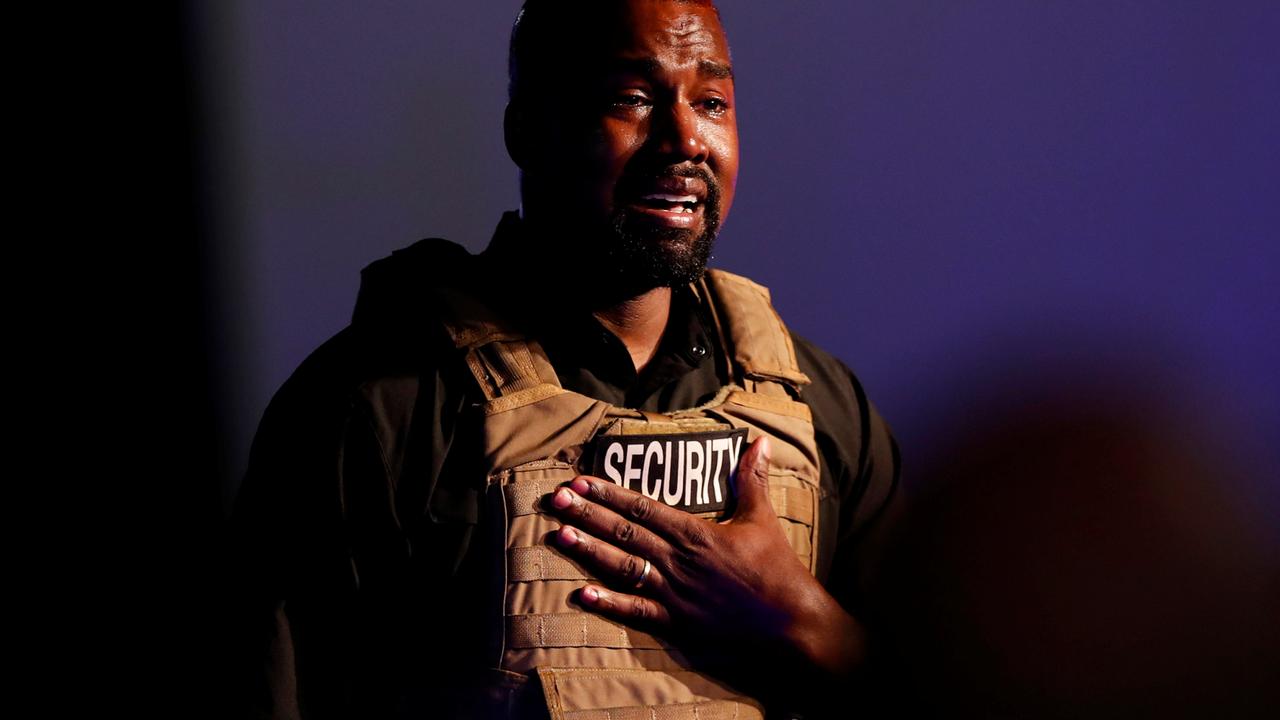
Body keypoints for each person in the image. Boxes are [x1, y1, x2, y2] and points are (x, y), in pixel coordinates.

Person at [224, 1, 901, 718]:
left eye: (711, 101)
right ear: (526, 132)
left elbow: (963, 684)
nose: (685, 140)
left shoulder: (823, 409)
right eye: (630, 99)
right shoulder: (378, 410)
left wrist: (805, 624)